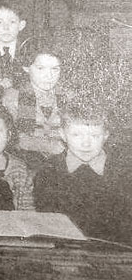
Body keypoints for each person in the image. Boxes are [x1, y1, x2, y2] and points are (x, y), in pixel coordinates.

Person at [33, 102, 132, 242]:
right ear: (62, 134)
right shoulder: (49, 171)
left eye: (95, 136)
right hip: (63, 250)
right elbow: (47, 222)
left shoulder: (124, 172)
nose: (86, 144)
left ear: (106, 135)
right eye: (76, 135)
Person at [2, 40, 68, 162]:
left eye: (55, 69)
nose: (49, 76)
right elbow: (13, 138)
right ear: (26, 67)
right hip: (25, 161)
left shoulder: (67, 96)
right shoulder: (14, 96)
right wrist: (48, 145)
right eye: (40, 68)